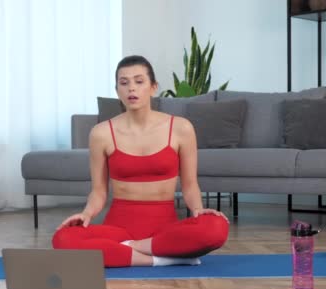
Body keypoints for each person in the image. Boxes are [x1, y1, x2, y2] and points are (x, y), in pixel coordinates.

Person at [52, 55, 229, 267]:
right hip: (118, 229)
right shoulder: (101, 133)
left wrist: (198, 210)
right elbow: (99, 191)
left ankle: (129, 250)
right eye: (123, 83)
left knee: (216, 227)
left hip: (165, 228)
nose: (131, 89)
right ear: (117, 90)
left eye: (139, 81)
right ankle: (162, 259)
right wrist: (86, 214)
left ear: (153, 87)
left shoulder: (181, 128)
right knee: (63, 238)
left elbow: (190, 184)